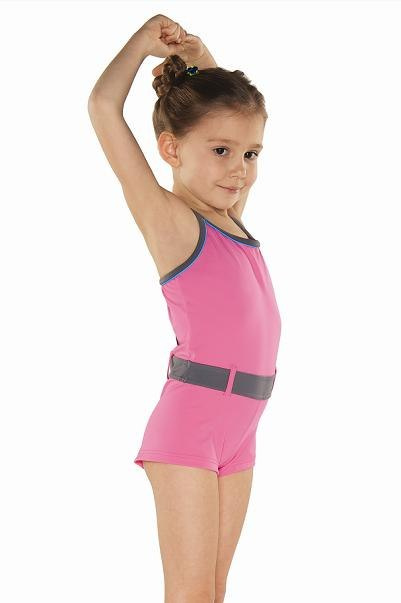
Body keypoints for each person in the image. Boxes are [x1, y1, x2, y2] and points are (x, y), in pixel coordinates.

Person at [88, 13, 281, 603]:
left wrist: (199, 59)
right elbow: (102, 107)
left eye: (251, 153)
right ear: (170, 149)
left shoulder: (230, 218)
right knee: (192, 590)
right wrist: (141, 45)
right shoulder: (174, 222)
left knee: (215, 590)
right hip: (192, 426)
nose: (238, 169)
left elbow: (220, 111)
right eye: (222, 151)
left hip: (241, 428)